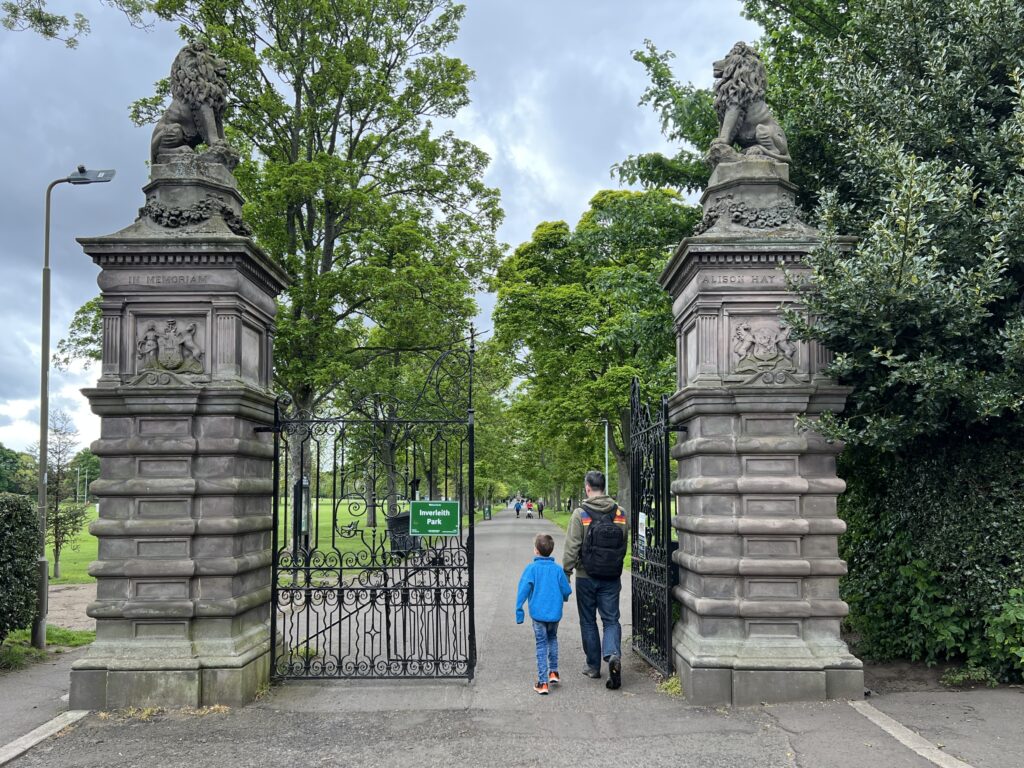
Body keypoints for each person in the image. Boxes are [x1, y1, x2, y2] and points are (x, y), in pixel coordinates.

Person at [562, 470, 629, 690]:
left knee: (588, 621)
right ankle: (612, 655)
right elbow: (623, 543)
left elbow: (572, 547)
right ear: (604, 487)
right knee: (611, 619)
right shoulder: (620, 512)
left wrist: (566, 573)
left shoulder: (580, 514)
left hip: (586, 576)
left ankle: (592, 666)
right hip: (611, 576)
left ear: (587, 488)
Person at [516, 533, 572, 695]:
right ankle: (553, 672)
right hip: (554, 614)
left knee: (541, 643)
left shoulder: (531, 569)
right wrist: (564, 598)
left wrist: (519, 611)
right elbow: (566, 590)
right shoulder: (557, 570)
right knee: (553, 638)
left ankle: (542, 682)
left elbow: (523, 591)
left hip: (538, 615)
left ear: (536, 551)